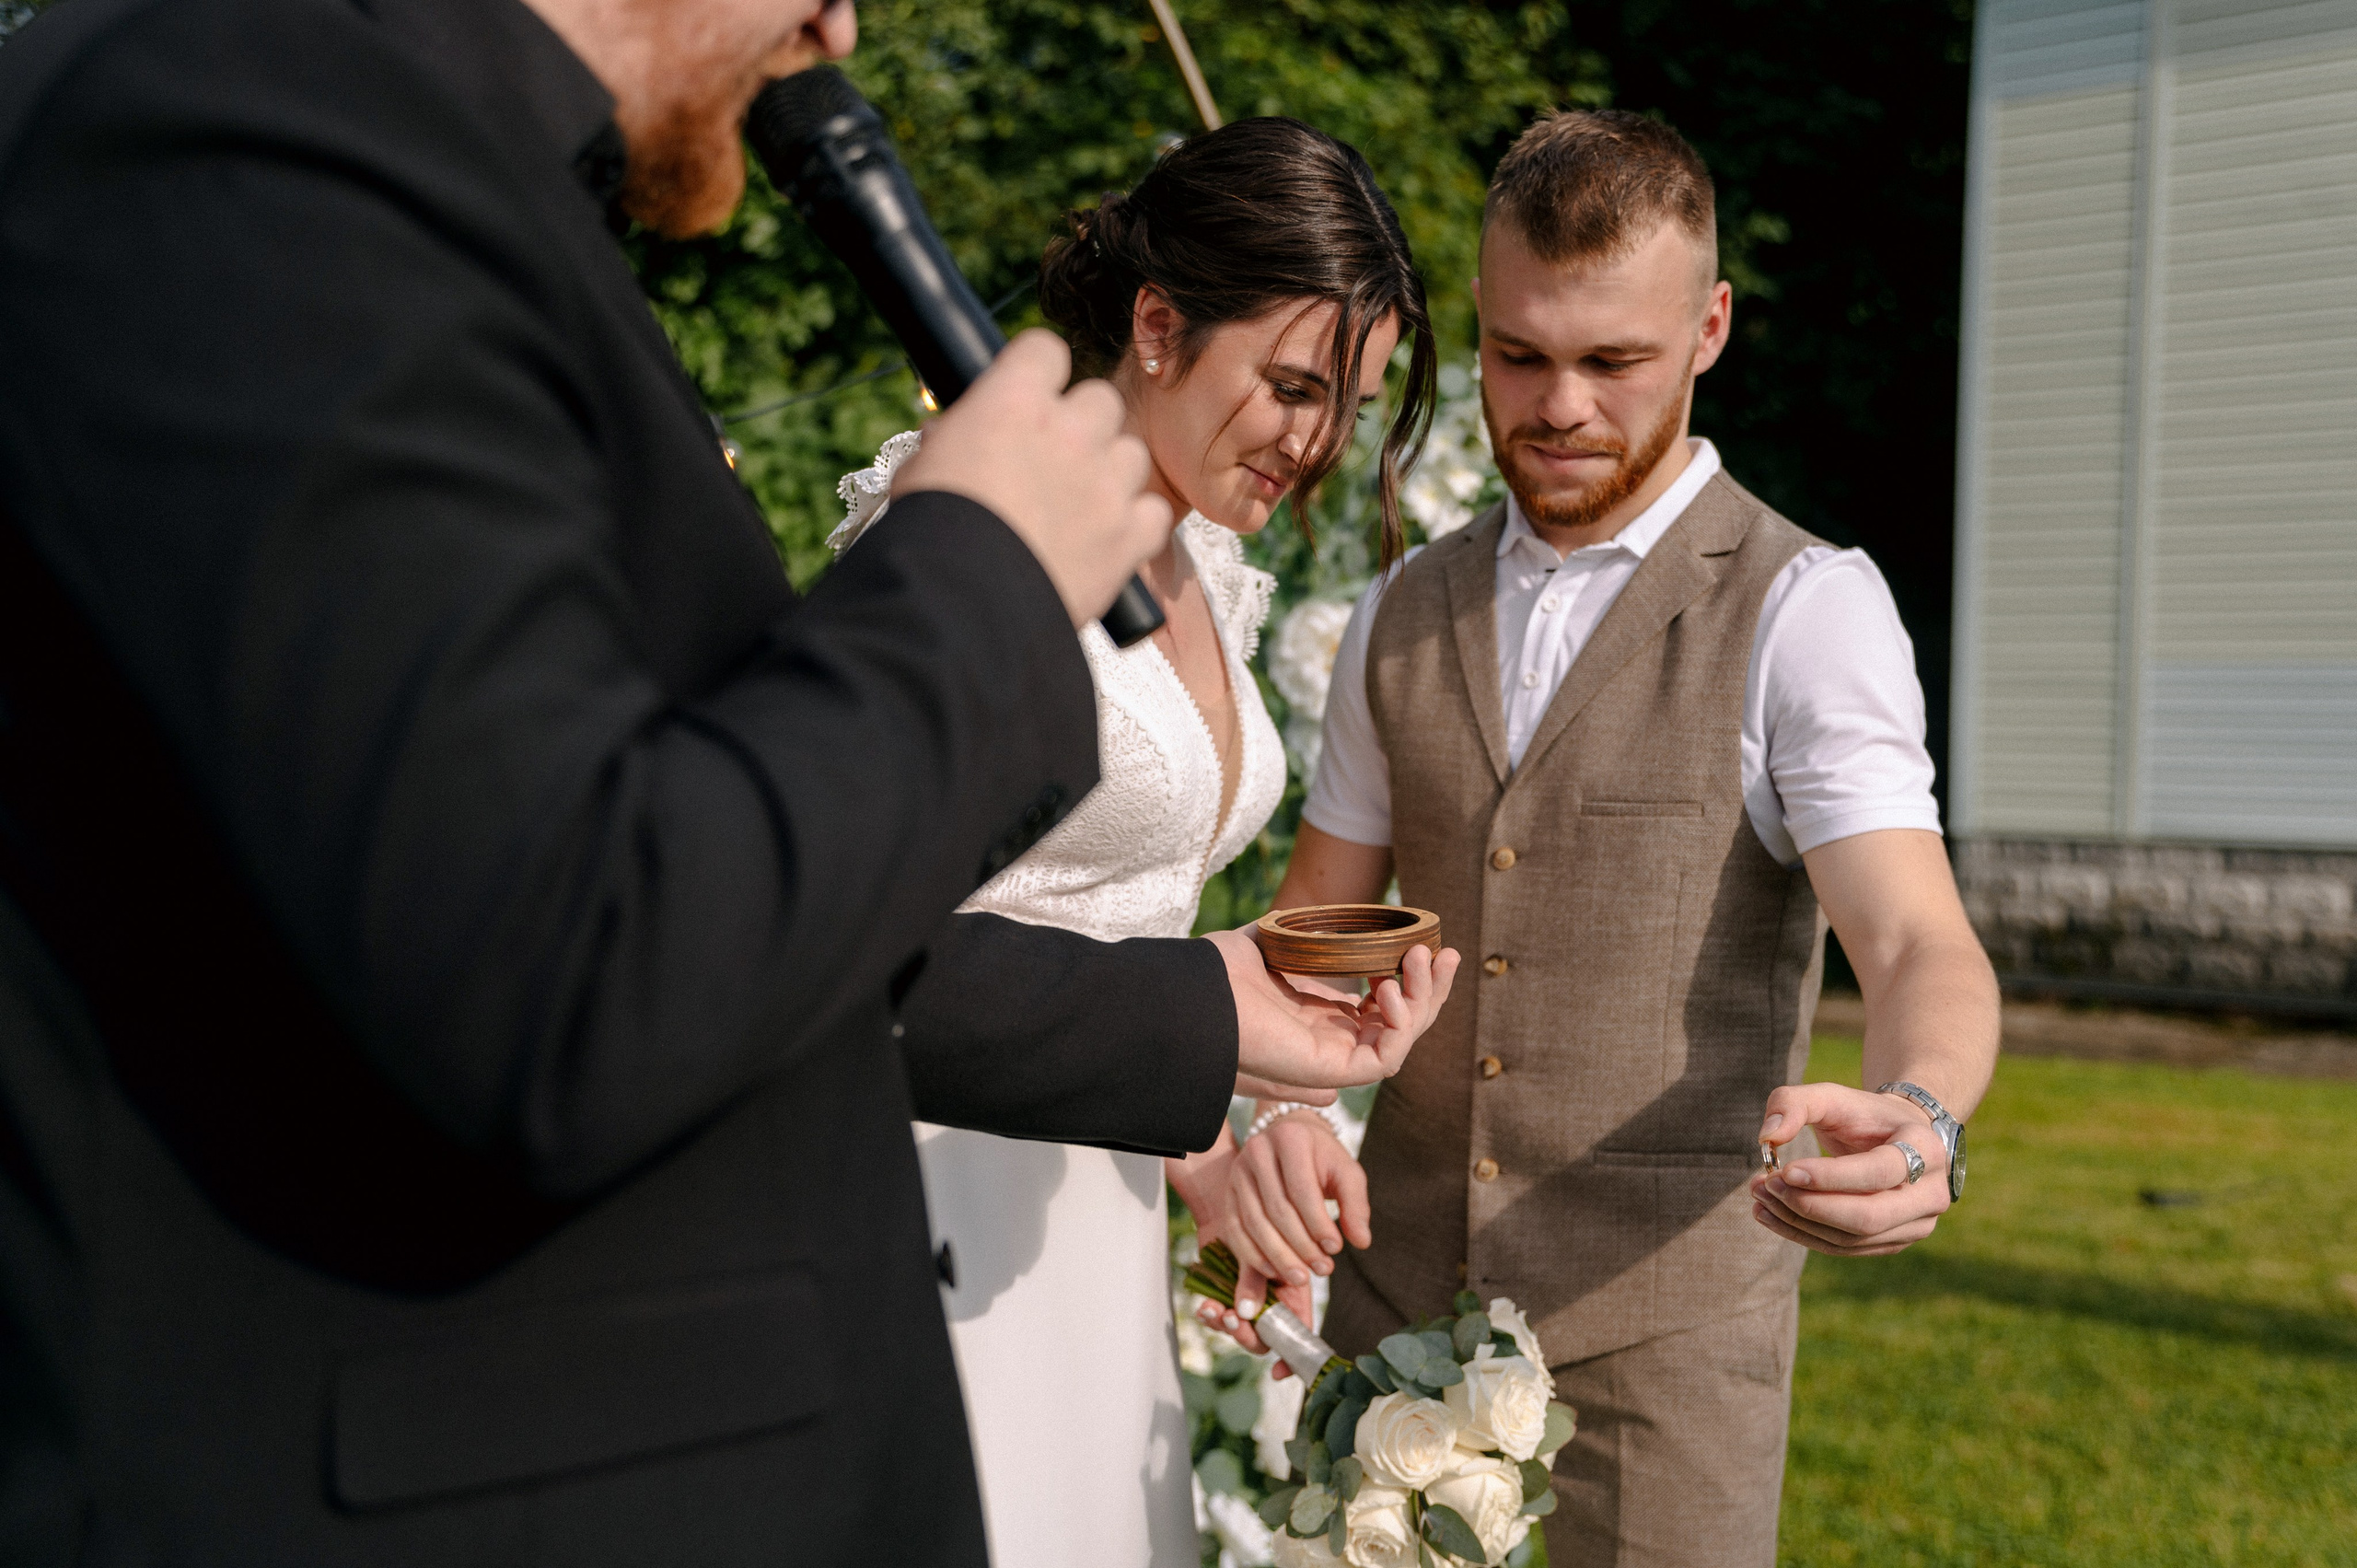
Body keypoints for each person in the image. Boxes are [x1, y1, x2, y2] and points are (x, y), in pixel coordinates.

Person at [0, 1, 1450, 1563]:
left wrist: (1201, 1052)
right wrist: (982, 575)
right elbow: (570, 950)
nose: (837, 24)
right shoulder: (253, 149)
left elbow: (675, 847)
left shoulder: (496, 218)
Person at [1260, 110, 2004, 1565]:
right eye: (1518, 354)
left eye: (1615, 361)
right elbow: (1311, 942)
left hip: (1667, 1351)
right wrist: (1277, 1133)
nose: (1560, 406)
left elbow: (1918, 938)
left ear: (1710, 327)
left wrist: (1923, 1117)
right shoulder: (1399, 612)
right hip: (1385, 1326)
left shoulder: (1807, 609)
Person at [830, 117, 1461, 1566]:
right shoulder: (971, 525)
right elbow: (840, 936)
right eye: (1293, 386)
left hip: (1093, 1194)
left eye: (1349, 408)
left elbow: (1105, 935)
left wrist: (1210, 1161)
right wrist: (1214, 1003)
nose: (1316, 445)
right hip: (927, 1203)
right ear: (1160, 326)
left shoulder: (1208, 563)